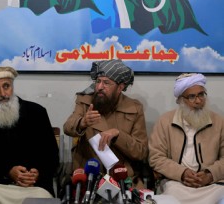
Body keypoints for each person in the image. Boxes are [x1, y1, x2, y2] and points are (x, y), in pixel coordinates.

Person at [0, 66, 59, 204]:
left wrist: (36, 173)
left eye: (6, 86)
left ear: (12, 86)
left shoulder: (37, 113)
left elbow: (52, 156)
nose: (3, 93)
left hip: (34, 185)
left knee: (43, 199)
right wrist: (7, 172)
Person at [63, 59, 148, 188]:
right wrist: (82, 122)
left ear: (120, 87)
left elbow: (141, 152)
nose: (99, 87)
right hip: (89, 174)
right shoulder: (85, 101)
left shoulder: (134, 108)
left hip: (123, 177)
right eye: (98, 81)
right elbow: (67, 127)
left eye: (106, 83)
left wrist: (118, 135)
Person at [149, 73, 224, 204]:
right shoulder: (165, 121)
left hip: (212, 185)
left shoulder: (219, 122)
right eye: (192, 96)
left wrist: (210, 174)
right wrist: (182, 173)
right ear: (181, 100)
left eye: (201, 94)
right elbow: (156, 157)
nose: (198, 101)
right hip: (177, 184)